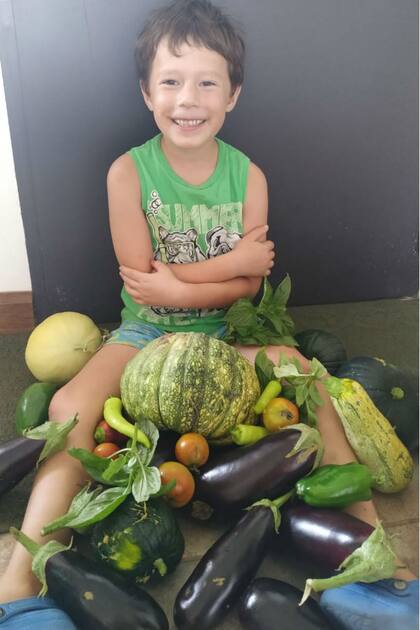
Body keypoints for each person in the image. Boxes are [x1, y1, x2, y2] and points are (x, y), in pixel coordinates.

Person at [0, 1, 417, 628]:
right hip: (142, 337)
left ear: (233, 94)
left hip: (225, 340)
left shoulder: (248, 176)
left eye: (206, 82)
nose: (186, 99)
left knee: (306, 370)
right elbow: (143, 281)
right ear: (146, 93)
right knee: (67, 409)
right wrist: (213, 272)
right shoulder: (127, 174)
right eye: (170, 81)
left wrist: (192, 284)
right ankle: (20, 585)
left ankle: (374, 563)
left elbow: (249, 289)